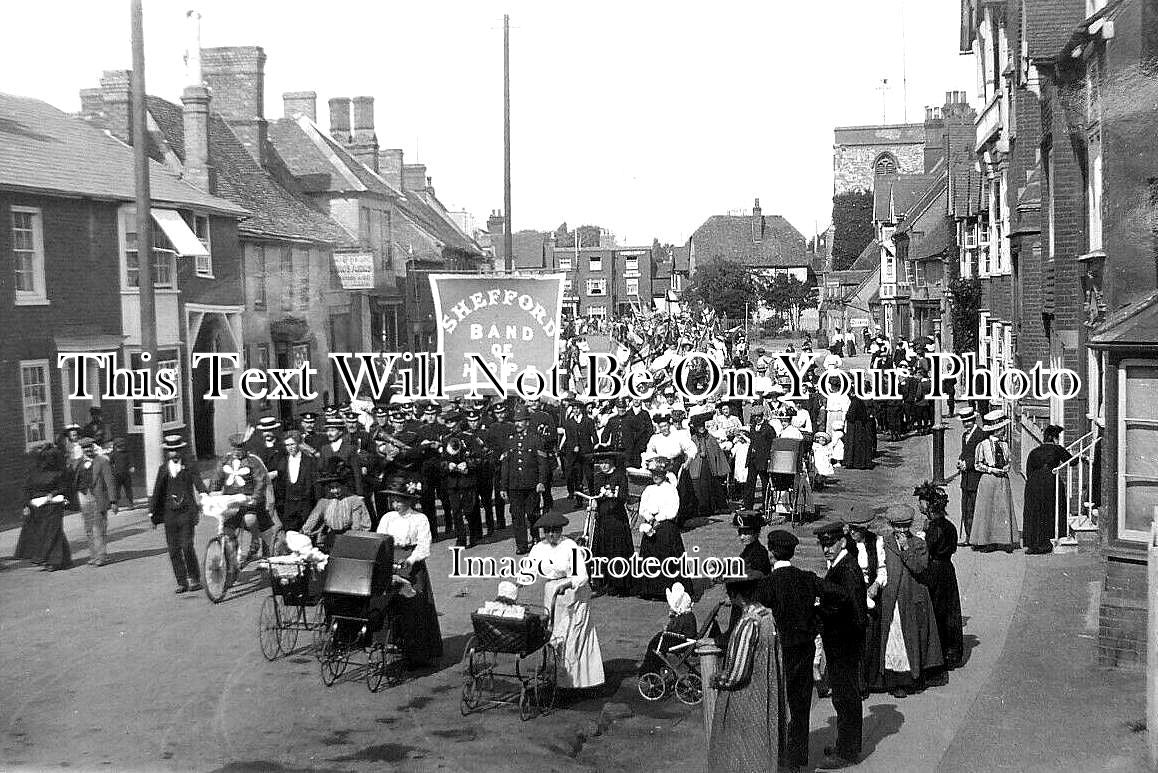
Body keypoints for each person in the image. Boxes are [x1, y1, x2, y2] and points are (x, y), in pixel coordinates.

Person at [707, 569, 787, 772]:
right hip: (767, 690)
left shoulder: (748, 623)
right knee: (763, 744)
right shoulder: (768, 616)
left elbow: (737, 674)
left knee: (740, 750)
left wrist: (717, 679)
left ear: (737, 595)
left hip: (748, 696)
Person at [756, 530, 820, 771]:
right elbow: (835, 594)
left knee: (779, 703)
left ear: (771, 553)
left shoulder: (768, 583)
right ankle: (798, 757)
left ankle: (781, 757)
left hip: (782, 651)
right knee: (801, 704)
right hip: (805, 648)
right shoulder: (806, 577)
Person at [526, 511, 605, 690]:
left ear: (561, 531)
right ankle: (558, 677)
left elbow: (583, 576)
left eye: (555, 531)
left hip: (575, 596)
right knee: (555, 635)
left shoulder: (570, 546)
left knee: (574, 637)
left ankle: (579, 681)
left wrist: (568, 583)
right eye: (547, 532)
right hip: (553, 596)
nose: (551, 535)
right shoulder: (539, 548)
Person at [376, 473, 444, 664]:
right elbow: (380, 539)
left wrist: (412, 559)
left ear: (408, 500)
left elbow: (424, 545)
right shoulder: (388, 518)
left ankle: (419, 652)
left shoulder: (419, 519)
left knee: (415, 605)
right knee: (390, 600)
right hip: (391, 560)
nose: (395, 505)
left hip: (411, 563)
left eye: (398, 501)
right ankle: (395, 641)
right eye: (393, 501)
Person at [877, 504, 943, 698]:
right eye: (898, 526)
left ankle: (910, 679)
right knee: (893, 638)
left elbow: (920, 567)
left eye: (905, 526)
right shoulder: (885, 543)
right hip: (892, 599)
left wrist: (906, 550)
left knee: (911, 638)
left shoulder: (919, 544)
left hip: (912, 598)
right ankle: (893, 680)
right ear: (891, 525)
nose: (902, 531)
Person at [814, 519, 866, 767]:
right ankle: (845, 745)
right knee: (845, 697)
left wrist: (820, 609)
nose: (826, 549)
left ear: (842, 542)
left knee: (845, 698)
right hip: (845, 642)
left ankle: (846, 752)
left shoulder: (845, 569)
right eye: (823, 545)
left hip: (843, 643)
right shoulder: (843, 565)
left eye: (831, 544)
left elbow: (847, 609)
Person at [915, 481, 964, 671]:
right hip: (947, 571)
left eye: (921, 502)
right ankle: (952, 652)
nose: (919, 505)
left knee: (937, 610)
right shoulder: (949, 526)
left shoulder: (933, 529)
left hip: (935, 571)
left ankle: (939, 653)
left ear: (929, 505)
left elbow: (926, 550)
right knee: (950, 609)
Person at [149, 435, 207, 593]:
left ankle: (194, 578)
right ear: (167, 452)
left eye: (176, 450)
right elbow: (157, 492)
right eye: (170, 451)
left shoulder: (189, 466)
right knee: (173, 549)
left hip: (187, 512)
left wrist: (204, 494)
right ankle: (181, 582)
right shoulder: (163, 469)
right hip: (170, 514)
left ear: (181, 450)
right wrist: (152, 514)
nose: (173, 454)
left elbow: (198, 481)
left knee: (187, 545)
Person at [845, 510, 887, 695]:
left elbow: (882, 569)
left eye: (856, 529)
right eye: (851, 528)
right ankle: (855, 683)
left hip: (869, 596)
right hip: (850, 595)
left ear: (865, 528)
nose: (852, 532)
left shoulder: (876, 542)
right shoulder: (844, 544)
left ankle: (869, 680)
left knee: (869, 640)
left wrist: (877, 583)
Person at [213, 434, 274, 561]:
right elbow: (217, 476)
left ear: (244, 448)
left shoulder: (253, 461)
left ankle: (255, 538)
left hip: (249, 501)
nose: (237, 452)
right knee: (226, 528)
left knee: (249, 520)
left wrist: (255, 497)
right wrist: (213, 492)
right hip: (231, 501)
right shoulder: (225, 460)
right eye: (235, 449)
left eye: (240, 449)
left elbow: (260, 480)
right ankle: (232, 553)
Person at [500, 406, 551, 555]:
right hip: (514, 486)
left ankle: (535, 537)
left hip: (531, 485)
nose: (518, 424)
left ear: (527, 422)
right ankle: (521, 544)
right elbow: (506, 465)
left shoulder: (536, 440)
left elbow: (543, 463)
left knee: (533, 513)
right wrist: (503, 487)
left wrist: (541, 481)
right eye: (516, 421)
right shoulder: (510, 441)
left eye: (521, 421)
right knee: (517, 516)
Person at [635, 457, 688, 600]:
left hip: (665, 526)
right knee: (650, 556)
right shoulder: (649, 489)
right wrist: (649, 517)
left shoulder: (670, 489)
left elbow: (673, 510)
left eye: (659, 473)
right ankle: (651, 589)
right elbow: (643, 507)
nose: (656, 476)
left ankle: (668, 588)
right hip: (651, 525)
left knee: (666, 556)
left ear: (664, 474)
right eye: (653, 473)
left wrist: (659, 518)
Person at [15, 443, 72, 571]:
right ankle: (63, 559)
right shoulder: (33, 472)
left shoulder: (59, 472)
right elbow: (26, 488)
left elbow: (64, 487)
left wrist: (53, 493)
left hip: (53, 505)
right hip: (37, 506)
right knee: (44, 532)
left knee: (53, 531)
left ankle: (54, 561)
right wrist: (25, 505)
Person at [971, 410, 1020, 552]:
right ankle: (986, 542)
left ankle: (1004, 541)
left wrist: (1006, 467)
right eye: (1002, 428)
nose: (1004, 431)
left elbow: (1009, 460)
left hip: (1002, 480)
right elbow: (977, 464)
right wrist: (992, 470)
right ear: (996, 429)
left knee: (1003, 509)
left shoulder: (1004, 445)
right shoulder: (983, 445)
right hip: (988, 480)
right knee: (987, 510)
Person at [588, 451, 634, 597]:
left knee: (617, 549)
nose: (604, 466)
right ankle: (603, 582)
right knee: (602, 549)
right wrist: (594, 501)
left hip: (616, 519)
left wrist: (613, 495)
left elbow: (624, 496)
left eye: (606, 463)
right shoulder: (598, 477)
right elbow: (594, 494)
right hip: (602, 518)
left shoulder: (620, 476)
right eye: (601, 463)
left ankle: (620, 584)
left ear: (612, 463)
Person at [301, 459, 372, 551]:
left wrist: (354, 540)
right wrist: (305, 531)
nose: (334, 491)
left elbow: (359, 525)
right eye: (331, 488)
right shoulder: (325, 501)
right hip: (330, 539)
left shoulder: (355, 501)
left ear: (344, 485)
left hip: (349, 539)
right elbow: (313, 519)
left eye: (337, 487)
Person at [1022, 424, 1071, 554]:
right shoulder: (1057, 449)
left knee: (1034, 512)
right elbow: (1071, 461)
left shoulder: (1034, 452)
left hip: (1034, 483)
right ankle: (1045, 542)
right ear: (1054, 438)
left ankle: (1033, 544)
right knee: (1049, 511)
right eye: (1057, 438)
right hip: (1050, 482)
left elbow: (1028, 471)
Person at [639, 581, 699, 676]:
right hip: (686, 640)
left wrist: (667, 627)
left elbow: (673, 631)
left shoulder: (682, 618)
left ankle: (650, 670)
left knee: (654, 645)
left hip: (681, 642)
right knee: (656, 642)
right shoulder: (689, 615)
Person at [74, 437, 116, 566]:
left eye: (89, 448)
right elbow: (74, 481)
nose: (88, 451)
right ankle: (93, 555)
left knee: (99, 527)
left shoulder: (102, 461)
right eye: (85, 448)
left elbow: (110, 482)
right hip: (83, 496)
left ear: (93, 448)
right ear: (82, 450)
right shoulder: (78, 463)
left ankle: (101, 556)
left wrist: (113, 500)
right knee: (88, 528)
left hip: (98, 498)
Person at [273, 431, 318, 534]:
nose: (290, 447)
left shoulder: (309, 461)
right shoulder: (282, 462)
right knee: (290, 537)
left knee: (306, 538)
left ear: (298, 444)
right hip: (289, 506)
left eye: (292, 444)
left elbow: (314, 486)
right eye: (287, 445)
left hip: (305, 506)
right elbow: (280, 487)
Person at [956, 406, 985, 545]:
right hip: (966, 479)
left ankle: (975, 539)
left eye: (968, 421)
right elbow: (965, 452)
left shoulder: (980, 435)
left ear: (973, 420)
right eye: (964, 422)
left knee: (974, 509)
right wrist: (960, 460)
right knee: (965, 508)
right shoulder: (964, 435)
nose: (966, 424)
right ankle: (968, 537)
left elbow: (981, 456)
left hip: (976, 477)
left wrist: (967, 464)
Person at [843, 394, 875, 470]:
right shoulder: (865, 400)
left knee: (853, 442)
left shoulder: (855, 401)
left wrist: (847, 417)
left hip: (855, 426)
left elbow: (851, 415)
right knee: (863, 444)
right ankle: (863, 462)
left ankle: (853, 462)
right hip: (863, 425)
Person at [735, 510, 771, 575]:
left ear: (756, 533)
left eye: (746, 533)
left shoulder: (758, 553)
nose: (742, 537)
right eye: (740, 533)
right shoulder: (750, 548)